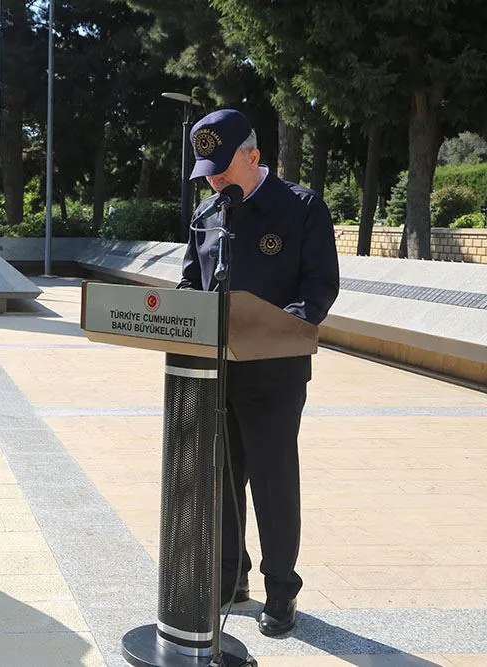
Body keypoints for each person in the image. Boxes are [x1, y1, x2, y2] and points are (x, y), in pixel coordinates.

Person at [178, 109, 340, 637]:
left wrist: (275, 328)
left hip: (274, 374)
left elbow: (319, 288)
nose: (214, 179)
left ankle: (281, 592)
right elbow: (189, 285)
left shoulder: (301, 208)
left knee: (272, 483)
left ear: (253, 156)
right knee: (222, 481)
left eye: (222, 168)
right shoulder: (207, 215)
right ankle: (231, 578)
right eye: (207, 170)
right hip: (213, 374)